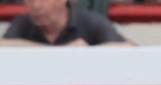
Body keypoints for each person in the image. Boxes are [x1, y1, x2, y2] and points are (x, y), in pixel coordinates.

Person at [0, 0, 130, 46]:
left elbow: (128, 48)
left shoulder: (89, 21)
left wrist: (89, 52)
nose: (36, 5)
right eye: (29, 0)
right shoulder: (23, 22)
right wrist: (61, 52)